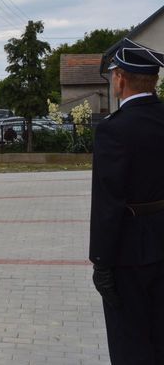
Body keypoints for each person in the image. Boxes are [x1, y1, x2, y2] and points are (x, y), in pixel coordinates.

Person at [89, 38, 164, 363]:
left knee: (130, 343)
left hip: (130, 253)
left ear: (120, 78)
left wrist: (101, 263)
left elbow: (108, 204)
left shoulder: (114, 130)